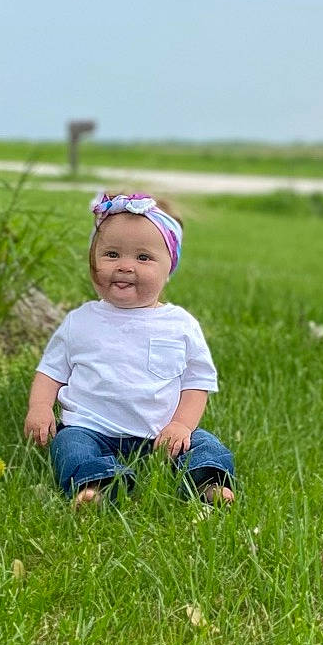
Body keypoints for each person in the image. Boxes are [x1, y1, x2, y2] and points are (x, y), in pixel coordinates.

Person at [23, 190, 236, 506]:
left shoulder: (180, 325)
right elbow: (51, 371)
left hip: (159, 434)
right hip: (90, 428)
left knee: (203, 443)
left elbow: (196, 384)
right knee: (68, 445)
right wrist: (40, 407)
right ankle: (96, 487)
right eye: (111, 255)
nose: (124, 266)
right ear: (93, 261)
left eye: (143, 258)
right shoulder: (80, 321)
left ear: (169, 269)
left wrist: (180, 425)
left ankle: (209, 485)